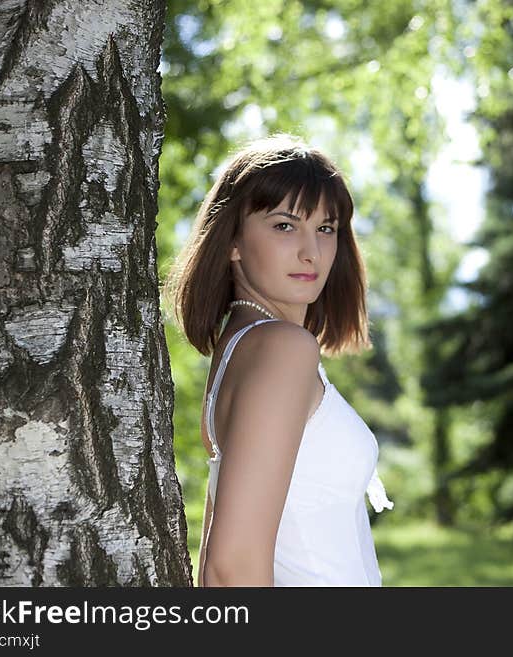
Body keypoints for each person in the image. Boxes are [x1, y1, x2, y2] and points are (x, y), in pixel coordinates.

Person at [163, 134, 394, 587]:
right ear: (232, 240)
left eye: (326, 228)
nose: (312, 251)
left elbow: (216, 564)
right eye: (285, 225)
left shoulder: (246, 347)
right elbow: (231, 568)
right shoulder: (281, 349)